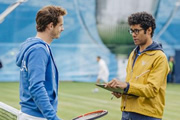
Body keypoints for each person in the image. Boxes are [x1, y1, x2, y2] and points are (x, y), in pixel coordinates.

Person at [105, 12, 169, 120]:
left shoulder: (159, 57)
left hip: (147, 116)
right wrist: (121, 90)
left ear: (149, 30)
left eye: (137, 31)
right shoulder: (133, 54)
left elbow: (152, 90)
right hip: (127, 113)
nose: (133, 34)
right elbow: (133, 85)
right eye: (131, 31)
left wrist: (127, 86)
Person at [16, 5, 67, 120]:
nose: (62, 29)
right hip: (35, 117)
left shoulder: (38, 47)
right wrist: (53, 117)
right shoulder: (38, 50)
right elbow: (36, 86)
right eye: (60, 25)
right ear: (50, 26)